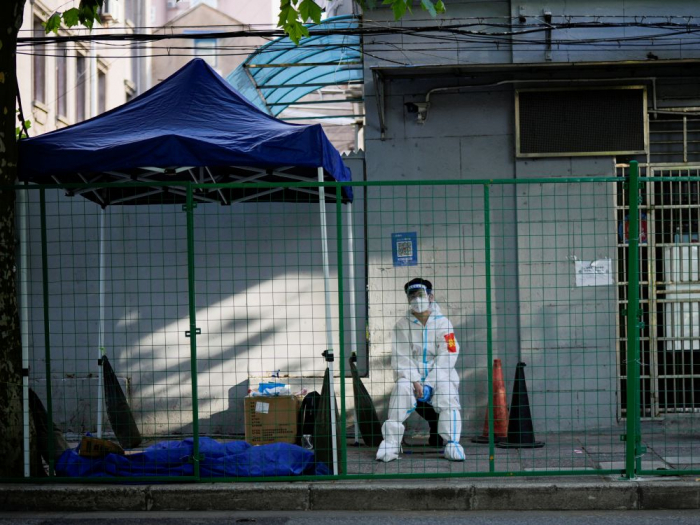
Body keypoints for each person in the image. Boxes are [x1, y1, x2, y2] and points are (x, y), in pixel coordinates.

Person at [376, 278, 466, 462]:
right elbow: (401, 357)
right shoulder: (402, 325)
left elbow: (448, 354)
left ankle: (452, 444)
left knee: (448, 395)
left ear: (431, 296)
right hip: (411, 374)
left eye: (421, 295)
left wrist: (431, 382)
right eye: (413, 296)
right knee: (401, 392)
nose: (417, 300)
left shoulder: (444, 324)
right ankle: (390, 445)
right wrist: (414, 380)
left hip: (439, 373)